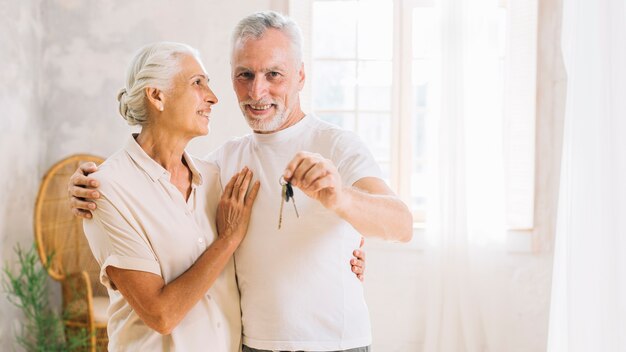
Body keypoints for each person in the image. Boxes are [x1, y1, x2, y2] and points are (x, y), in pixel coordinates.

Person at [70, 11, 412, 352]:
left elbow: (401, 225)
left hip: (336, 344)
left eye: (273, 74)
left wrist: (341, 200)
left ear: (301, 76)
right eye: (244, 75)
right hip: (252, 345)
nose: (257, 90)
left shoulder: (337, 145)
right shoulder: (220, 164)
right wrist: (86, 186)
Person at [81, 42, 260, 351]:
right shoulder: (107, 189)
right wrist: (227, 239)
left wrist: (348, 250)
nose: (213, 97)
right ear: (157, 96)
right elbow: (161, 314)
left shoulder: (215, 178)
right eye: (197, 83)